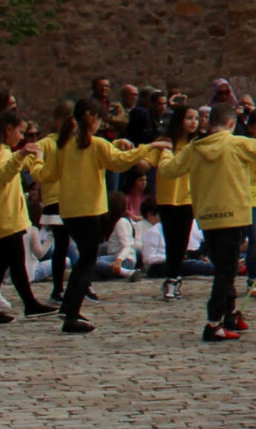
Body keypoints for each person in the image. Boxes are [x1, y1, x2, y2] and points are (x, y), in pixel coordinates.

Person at [161, 102, 256, 343]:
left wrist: (166, 152)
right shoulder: (236, 144)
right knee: (225, 271)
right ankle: (214, 323)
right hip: (233, 215)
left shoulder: (194, 148)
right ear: (231, 123)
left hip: (208, 217)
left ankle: (230, 314)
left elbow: (168, 171)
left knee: (227, 267)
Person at [47, 99, 167, 333]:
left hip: (69, 209)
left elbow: (49, 173)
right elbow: (120, 162)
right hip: (90, 209)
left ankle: (69, 305)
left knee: (84, 259)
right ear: (92, 117)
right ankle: (71, 314)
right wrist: (148, 147)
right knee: (87, 262)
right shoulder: (96, 144)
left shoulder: (65, 145)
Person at [0, 113, 53, 322]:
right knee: (12, 262)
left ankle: (1, 307)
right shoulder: (2, 152)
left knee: (5, 264)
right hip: (6, 217)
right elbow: (4, 173)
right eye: (20, 132)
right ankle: (24, 304)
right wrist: (21, 155)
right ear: (8, 130)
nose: (22, 137)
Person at [149, 104, 199, 301]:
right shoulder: (165, 142)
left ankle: (174, 277)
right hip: (167, 197)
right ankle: (172, 276)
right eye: (189, 118)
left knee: (182, 239)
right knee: (171, 240)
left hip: (187, 197)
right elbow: (147, 162)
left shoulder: (197, 144)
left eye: (196, 118)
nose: (193, 122)